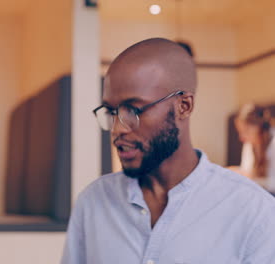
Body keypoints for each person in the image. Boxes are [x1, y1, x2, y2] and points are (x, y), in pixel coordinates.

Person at [61, 38, 275, 263]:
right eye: (111, 112)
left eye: (133, 109)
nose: (117, 129)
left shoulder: (255, 213)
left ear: (184, 106)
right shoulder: (93, 202)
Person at [233, 103, 275, 191]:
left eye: (246, 131)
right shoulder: (249, 145)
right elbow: (246, 172)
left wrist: (252, 179)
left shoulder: (273, 143)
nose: (241, 137)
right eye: (240, 132)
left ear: (260, 127)